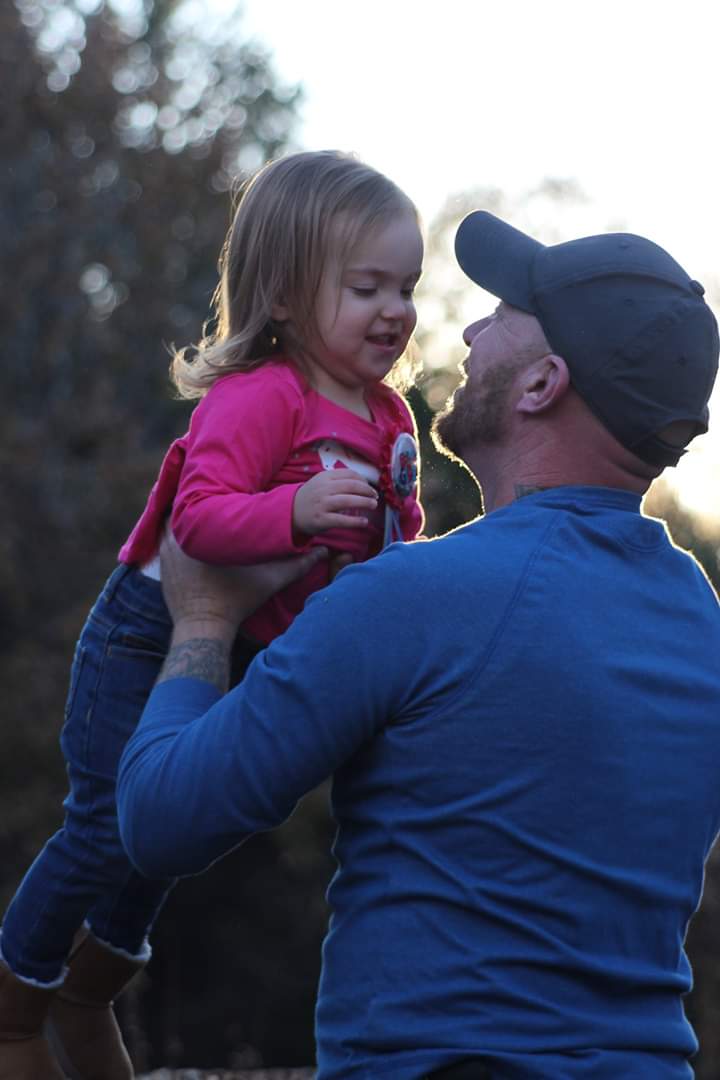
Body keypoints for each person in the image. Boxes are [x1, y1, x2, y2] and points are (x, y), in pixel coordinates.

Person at [116, 213, 720, 1079]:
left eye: (504, 313)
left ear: (542, 383)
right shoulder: (699, 619)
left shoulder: (418, 597)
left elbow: (160, 820)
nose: (470, 331)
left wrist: (203, 619)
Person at [0, 150, 424, 1080]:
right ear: (284, 296)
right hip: (150, 626)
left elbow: (395, 532)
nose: (395, 310)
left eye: (407, 288)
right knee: (106, 822)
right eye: (366, 288)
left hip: (243, 646)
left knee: (168, 833)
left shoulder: (389, 417)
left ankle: (88, 994)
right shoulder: (262, 395)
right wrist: (294, 513)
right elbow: (199, 518)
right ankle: (16, 1005)